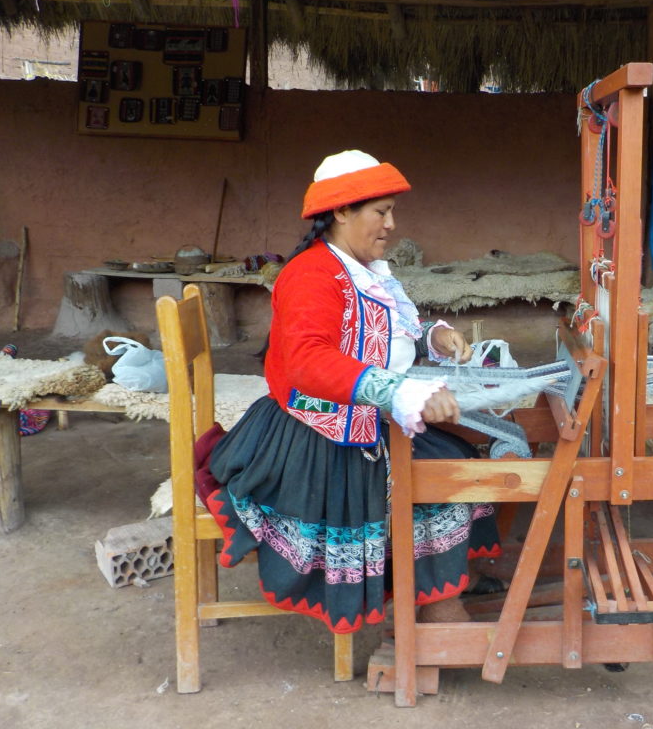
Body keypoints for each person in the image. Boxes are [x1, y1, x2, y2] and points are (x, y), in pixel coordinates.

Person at [203, 150, 499, 634]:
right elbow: (307, 362)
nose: (390, 225)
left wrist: (433, 338)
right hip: (316, 436)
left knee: (458, 461)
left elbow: (382, 336)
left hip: (362, 418)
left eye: (391, 212)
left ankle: (437, 596)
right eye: (380, 212)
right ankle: (439, 610)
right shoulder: (311, 274)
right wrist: (399, 392)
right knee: (437, 484)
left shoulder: (360, 272)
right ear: (341, 212)